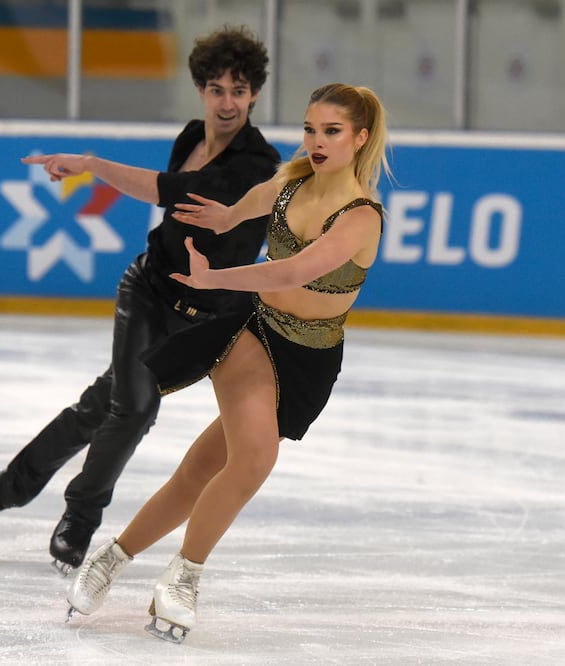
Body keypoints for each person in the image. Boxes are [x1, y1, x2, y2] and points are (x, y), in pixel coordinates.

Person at [0, 26, 281, 574]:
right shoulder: (193, 135)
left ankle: (5, 487)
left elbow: (165, 192)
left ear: (255, 94)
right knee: (134, 408)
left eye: (238, 91)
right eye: (216, 89)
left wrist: (92, 165)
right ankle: (80, 517)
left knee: (101, 410)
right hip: (149, 290)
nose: (227, 102)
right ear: (201, 91)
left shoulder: (258, 162)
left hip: (206, 320)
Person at [64, 83, 391, 644]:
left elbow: (291, 272)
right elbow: (253, 204)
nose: (316, 141)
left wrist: (214, 277)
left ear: (360, 139)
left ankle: (111, 558)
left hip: (311, 357)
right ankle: (182, 579)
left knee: (200, 470)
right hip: (252, 333)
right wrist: (224, 219)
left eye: (331, 131)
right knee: (254, 459)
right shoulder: (292, 182)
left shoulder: (361, 217)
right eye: (310, 129)